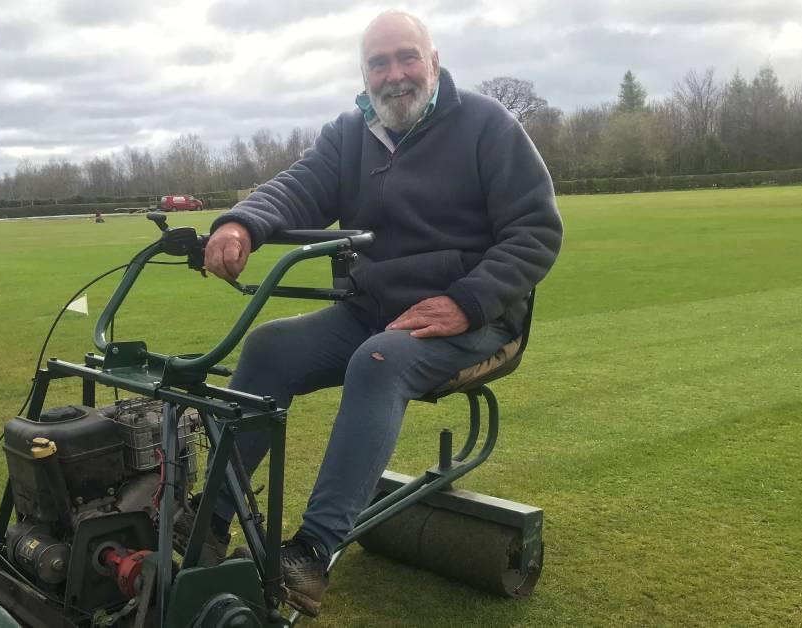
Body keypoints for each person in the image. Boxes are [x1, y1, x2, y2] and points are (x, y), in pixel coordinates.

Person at [193, 11, 564, 616]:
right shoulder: (350, 133)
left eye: (407, 57)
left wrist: (469, 302)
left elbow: (537, 231)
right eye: (379, 63)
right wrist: (241, 222)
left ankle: (313, 552)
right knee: (267, 349)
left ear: (434, 62)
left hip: (476, 318)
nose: (395, 75)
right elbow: (297, 185)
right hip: (377, 309)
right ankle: (205, 524)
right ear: (364, 74)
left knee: (380, 359)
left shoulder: (486, 125)